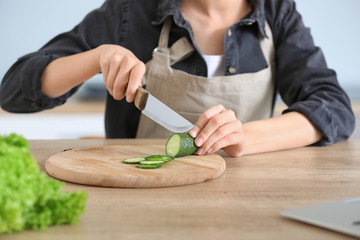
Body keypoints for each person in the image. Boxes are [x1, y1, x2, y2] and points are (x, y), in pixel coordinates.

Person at [0, 0, 355, 157]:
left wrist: (246, 136)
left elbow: (334, 108)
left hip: (247, 194)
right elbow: (12, 92)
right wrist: (97, 57)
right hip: (140, 195)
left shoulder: (278, 12)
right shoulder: (129, 11)